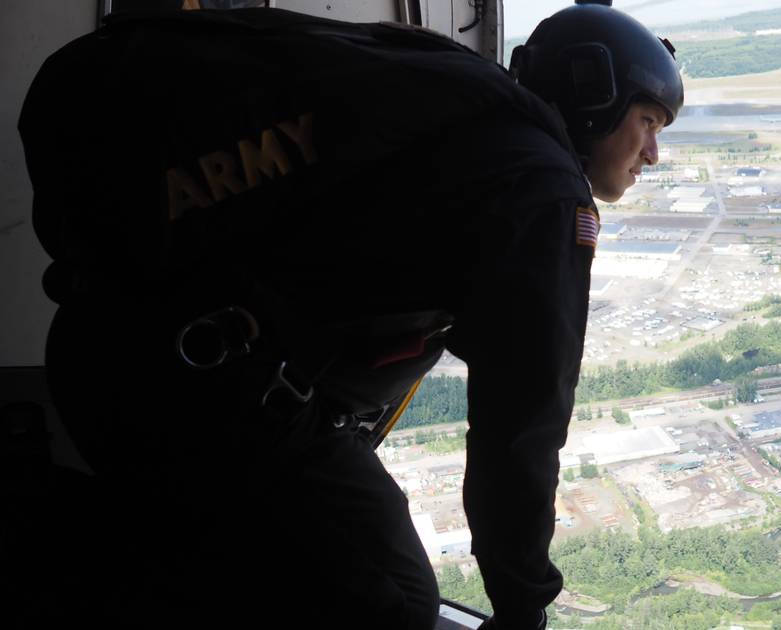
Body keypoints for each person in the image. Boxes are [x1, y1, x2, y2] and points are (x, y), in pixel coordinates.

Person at [18, 1, 681, 629]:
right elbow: (522, 433)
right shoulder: (543, 192)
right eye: (648, 122)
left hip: (110, 349)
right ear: (596, 100)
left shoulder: (450, 105)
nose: (652, 153)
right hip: (188, 400)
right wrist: (521, 607)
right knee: (393, 599)